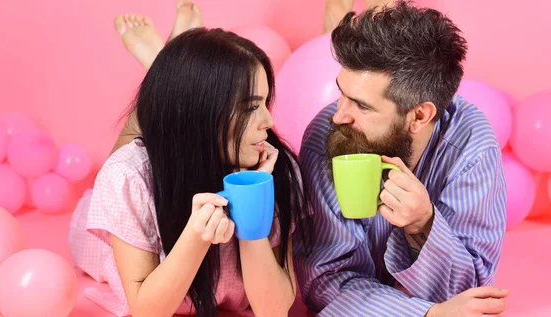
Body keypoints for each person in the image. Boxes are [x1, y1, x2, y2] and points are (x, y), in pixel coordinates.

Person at [68, 5, 313, 316]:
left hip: (184, 140)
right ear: (203, 113)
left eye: (265, 102)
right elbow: (148, 311)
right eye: (251, 106)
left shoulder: (277, 169)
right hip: (121, 219)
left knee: (158, 135)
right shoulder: (127, 178)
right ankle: (165, 72)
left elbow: (273, 309)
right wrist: (195, 238)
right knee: (129, 162)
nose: (268, 120)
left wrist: (252, 197)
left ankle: (167, 69)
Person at [293, 1, 509, 316]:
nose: (339, 115)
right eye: (342, 93)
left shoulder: (471, 147)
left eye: (362, 106)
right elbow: (324, 283)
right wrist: (427, 313)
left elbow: (474, 295)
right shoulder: (329, 137)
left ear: (419, 115)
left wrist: (424, 223)